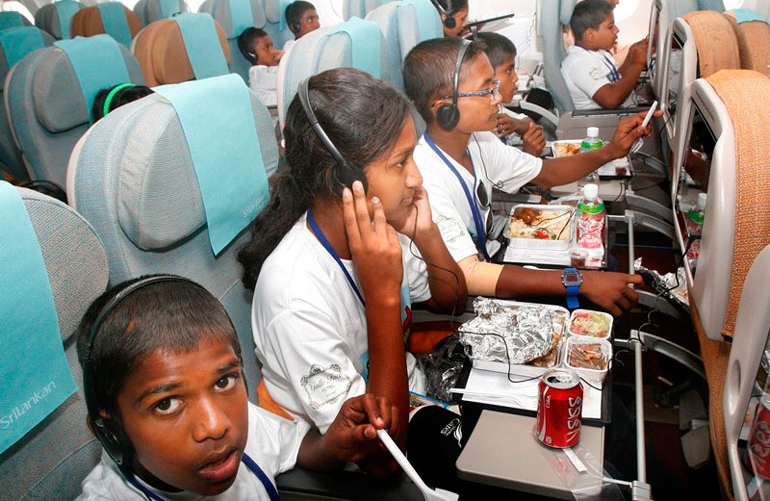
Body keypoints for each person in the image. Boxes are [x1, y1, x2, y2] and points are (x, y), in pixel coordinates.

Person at [239, 68, 467, 477]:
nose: (417, 178)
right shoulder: (293, 295)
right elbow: (383, 461)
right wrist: (382, 296)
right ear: (345, 182)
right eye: (401, 163)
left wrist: (427, 234)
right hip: (370, 456)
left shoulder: (382, 227)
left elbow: (453, 302)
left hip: (416, 395)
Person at [75, 275, 396, 500]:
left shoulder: (244, 424)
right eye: (167, 404)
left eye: (224, 381)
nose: (215, 425)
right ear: (111, 433)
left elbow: (294, 449)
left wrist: (333, 446)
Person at [403, 37, 656, 317]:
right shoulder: (424, 176)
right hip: (466, 293)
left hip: (490, 259)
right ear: (445, 108)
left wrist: (611, 151)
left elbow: (546, 173)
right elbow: (469, 273)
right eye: (486, 90)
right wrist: (580, 281)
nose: (497, 99)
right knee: (593, 287)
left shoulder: (477, 140)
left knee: (601, 262)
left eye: (494, 87)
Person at [562, 0, 648, 110]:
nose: (617, 30)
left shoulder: (598, 52)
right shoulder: (579, 64)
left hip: (624, 111)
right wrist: (637, 64)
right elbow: (611, 100)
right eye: (610, 26)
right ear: (590, 35)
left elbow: (616, 79)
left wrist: (631, 56)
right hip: (606, 121)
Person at [474, 32, 546, 157]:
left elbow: (530, 124)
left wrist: (516, 124)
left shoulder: (497, 107)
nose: (515, 78)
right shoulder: (479, 132)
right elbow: (498, 174)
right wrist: (528, 155)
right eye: (508, 70)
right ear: (486, 73)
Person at [238, 27, 284, 107]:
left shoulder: (270, 69)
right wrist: (285, 57)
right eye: (266, 48)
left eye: (272, 46)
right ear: (252, 55)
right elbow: (287, 78)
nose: (272, 51)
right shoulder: (257, 73)